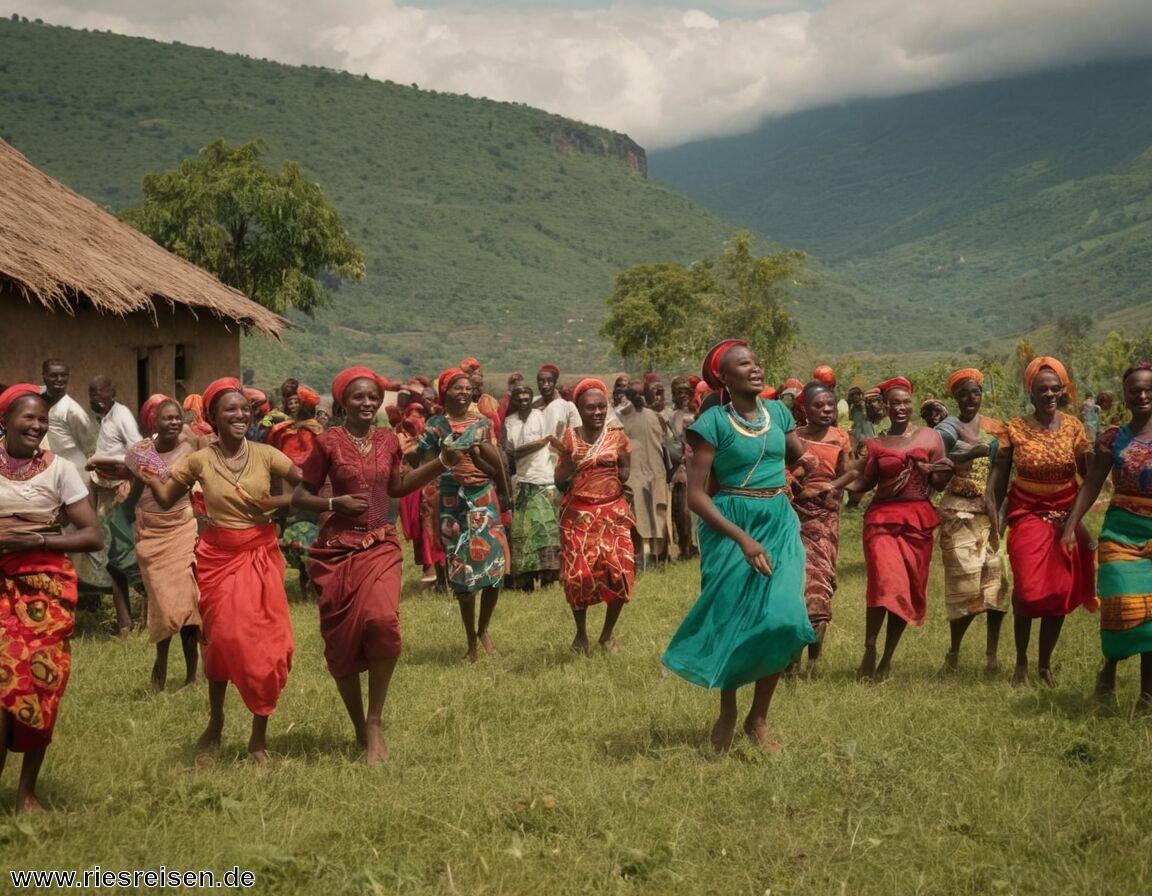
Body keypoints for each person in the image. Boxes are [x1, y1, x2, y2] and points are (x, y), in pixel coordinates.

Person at [292, 367, 459, 762]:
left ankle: (374, 720)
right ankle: (356, 725)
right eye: (358, 398)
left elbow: (397, 487)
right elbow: (300, 495)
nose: (367, 403)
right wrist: (334, 503)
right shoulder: (328, 442)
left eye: (373, 397)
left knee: (382, 621)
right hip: (336, 551)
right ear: (342, 403)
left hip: (380, 543)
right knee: (341, 641)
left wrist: (441, 462)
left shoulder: (388, 440)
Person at [662, 341, 815, 754]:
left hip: (779, 522)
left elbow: (801, 455)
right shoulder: (710, 424)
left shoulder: (780, 414)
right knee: (735, 620)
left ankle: (758, 717)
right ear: (724, 378)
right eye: (743, 364)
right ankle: (729, 710)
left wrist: (805, 465)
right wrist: (743, 540)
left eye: (757, 362)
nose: (755, 368)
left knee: (784, 618)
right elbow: (696, 496)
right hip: (731, 527)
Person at [138, 378, 301, 762]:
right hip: (218, 559)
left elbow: (305, 487)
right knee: (224, 641)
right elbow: (164, 497)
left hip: (261, 556)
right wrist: (145, 467)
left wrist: (271, 502)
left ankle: (258, 739)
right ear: (212, 417)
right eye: (230, 409)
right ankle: (216, 722)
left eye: (244, 408)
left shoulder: (266, 454)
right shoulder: (198, 460)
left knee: (270, 649)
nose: (240, 414)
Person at [0, 385, 102, 812]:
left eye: (42, 419)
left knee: (42, 684)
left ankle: (27, 791)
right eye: (28, 417)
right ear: (4, 420)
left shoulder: (60, 469)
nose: (37, 425)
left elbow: (92, 534)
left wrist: (37, 539)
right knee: (3, 687)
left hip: (45, 589)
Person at [986, 357, 1097, 687]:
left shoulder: (1074, 427)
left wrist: (1102, 453)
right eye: (1042, 389)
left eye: (1054, 388)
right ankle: (1021, 661)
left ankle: (1044, 665)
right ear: (1031, 393)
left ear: (1062, 390)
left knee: (1059, 593)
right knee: (1029, 592)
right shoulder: (1016, 428)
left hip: (1066, 515)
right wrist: (995, 520)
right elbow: (999, 480)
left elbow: (1088, 476)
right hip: (1028, 515)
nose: (1049, 394)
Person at [1061, 362, 1152, 709]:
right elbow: (1092, 485)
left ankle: (1147, 695)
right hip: (1121, 532)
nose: (1142, 395)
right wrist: (1071, 525)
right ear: (1125, 397)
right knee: (1122, 604)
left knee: (1151, 616)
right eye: (1135, 390)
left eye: (1148, 389)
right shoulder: (1113, 438)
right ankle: (1109, 668)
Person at [850, 377, 953, 681]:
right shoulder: (876, 443)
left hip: (918, 520)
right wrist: (833, 487)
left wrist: (942, 471)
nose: (901, 407)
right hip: (882, 519)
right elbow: (865, 482)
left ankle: (887, 658)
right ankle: (870, 646)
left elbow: (937, 484)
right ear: (885, 405)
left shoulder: (931, 438)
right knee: (884, 582)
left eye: (906, 402)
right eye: (895, 402)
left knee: (905, 590)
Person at [417, 368, 511, 662]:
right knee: (462, 576)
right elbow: (424, 462)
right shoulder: (434, 426)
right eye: (457, 387)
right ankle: (470, 639)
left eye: (468, 388)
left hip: (483, 498)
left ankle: (484, 630)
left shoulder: (483, 423)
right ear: (445, 391)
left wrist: (480, 449)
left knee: (494, 571)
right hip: (450, 502)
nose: (464, 392)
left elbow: (496, 463)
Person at [934, 369, 1010, 673]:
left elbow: (1005, 476)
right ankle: (954, 651)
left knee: (996, 585)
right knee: (964, 586)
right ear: (955, 398)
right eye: (963, 394)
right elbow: (940, 470)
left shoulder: (996, 429)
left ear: (982, 394)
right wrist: (966, 454)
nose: (970, 399)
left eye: (975, 392)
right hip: (958, 515)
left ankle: (991, 656)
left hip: (992, 517)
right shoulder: (947, 429)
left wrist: (1001, 517)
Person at [554, 379, 635, 654]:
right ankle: (580, 634)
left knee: (621, 572)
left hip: (613, 514)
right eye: (591, 408)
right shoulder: (570, 438)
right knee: (579, 576)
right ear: (579, 409)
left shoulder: (618, 436)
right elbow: (559, 480)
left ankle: (607, 635)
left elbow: (625, 469)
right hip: (578, 518)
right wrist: (577, 466)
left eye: (602, 406)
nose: (598, 412)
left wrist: (609, 481)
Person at [127, 396, 201, 692]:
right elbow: (134, 491)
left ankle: (192, 675)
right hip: (151, 534)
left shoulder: (189, 451)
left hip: (181, 530)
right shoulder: (140, 453)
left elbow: (170, 492)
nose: (172, 422)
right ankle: (160, 666)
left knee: (187, 602)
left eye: (176, 418)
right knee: (161, 602)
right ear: (153, 423)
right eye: (166, 418)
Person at [788, 381, 855, 672]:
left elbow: (848, 473)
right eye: (818, 405)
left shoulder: (840, 438)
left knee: (820, 584)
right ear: (805, 408)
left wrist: (829, 485)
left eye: (830, 404)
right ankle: (789, 661)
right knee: (792, 585)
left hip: (824, 518)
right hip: (793, 516)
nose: (826, 410)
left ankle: (813, 662)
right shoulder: (794, 437)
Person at [84, 375, 144, 636]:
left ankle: (151, 608)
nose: (95, 397)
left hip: (120, 491)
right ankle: (124, 623)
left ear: (112, 392)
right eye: (91, 393)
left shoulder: (122, 415)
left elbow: (137, 450)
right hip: (103, 491)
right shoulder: (103, 419)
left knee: (123, 554)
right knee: (110, 557)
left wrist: (124, 476)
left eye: (100, 392)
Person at [502, 383, 563, 591]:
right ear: (513, 399)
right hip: (522, 482)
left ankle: (548, 578)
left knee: (546, 531)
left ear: (531, 397)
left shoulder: (542, 415)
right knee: (524, 532)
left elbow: (551, 441)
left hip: (545, 478)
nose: (523, 398)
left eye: (526, 394)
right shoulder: (509, 422)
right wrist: (531, 446)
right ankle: (526, 580)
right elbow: (509, 452)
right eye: (518, 395)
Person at [619, 384, 671, 568]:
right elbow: (668, 443)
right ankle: (656, 557)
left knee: (641, 515)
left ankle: (645, 556)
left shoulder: (623, 419)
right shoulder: (656, 416)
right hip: (655, 471)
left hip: (636, 472)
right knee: (657, 514)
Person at [40, 359, 96, 479]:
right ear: (44, 376)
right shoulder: (37, 400)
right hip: (48, 470)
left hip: (75, 471)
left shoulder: (73, 411)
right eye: (53, 375)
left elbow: (90, 447)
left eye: (63, 375)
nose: (59, 379)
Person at [668, 375, 698, 560]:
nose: (683, 395)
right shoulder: (669, 416)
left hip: (700, 466)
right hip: (680, 468)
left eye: (686, 391)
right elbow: (668, 442)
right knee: (682, 510)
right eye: (679, 392)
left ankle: (697, 546)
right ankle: (685, 547)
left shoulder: (698, 413)